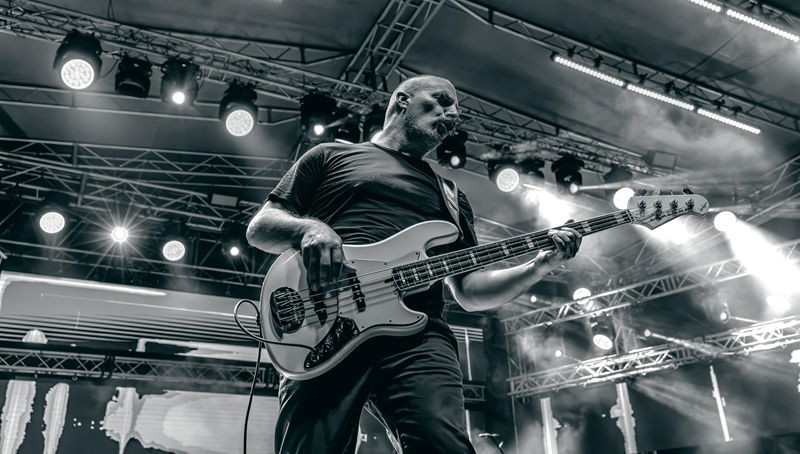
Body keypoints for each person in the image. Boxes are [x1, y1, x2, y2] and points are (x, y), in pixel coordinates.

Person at [246, 75, 582, 454]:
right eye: (441, 101)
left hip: (418, 336)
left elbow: (469, 291)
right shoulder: (330, 156)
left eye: (455, 113)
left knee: (443, 445)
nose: (451, 115)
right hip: (325, 325)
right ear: (402, 100)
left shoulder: (451, 196)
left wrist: (537, 267)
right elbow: (260, 228)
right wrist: (310, 229)